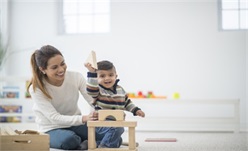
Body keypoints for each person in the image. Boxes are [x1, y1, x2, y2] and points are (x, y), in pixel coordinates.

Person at [27, 45, 99, 150]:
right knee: (70, 140)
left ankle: (84, 142)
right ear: (43, 69)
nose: (61, 69)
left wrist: (111, 113)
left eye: (63, 64)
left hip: (75, 125)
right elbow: (54, 118)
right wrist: (84, 118)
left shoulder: (76, 77)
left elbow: (93, 101)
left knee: (110, 135)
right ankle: (85, 142)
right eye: (54, 67)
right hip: (52, 128)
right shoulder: (37, 88)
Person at [84, 60, 145, 148]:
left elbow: (126, 102)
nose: (107, 78)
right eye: (102, 76)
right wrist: (92, 73)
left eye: (110, 75)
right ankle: (104, 146)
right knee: (118, 129)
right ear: (96, 78)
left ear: (116, 76)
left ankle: (93, 143)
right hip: (100, 123)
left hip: (115, 122)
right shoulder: (98, 90)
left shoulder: (120, 89)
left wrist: (136, 110)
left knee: (118, 140)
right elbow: (91, 90)